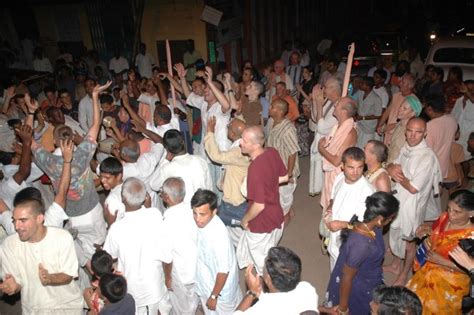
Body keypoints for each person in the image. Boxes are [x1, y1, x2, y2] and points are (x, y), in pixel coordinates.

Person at [0, 169, 84, 313]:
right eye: (14, 221)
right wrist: (13, 286)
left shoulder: (62, 238)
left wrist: (50, 278)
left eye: (23, 221)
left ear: (40, 218)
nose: (16, 226)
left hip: (68, 307)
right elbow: (17, 281)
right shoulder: (9, 245)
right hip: (35, 309)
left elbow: (69, 275)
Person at [321, 192, 400, 315]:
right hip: (359, 286)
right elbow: (347, 277)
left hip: (368, 276)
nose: (391, 221)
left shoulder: (372, 226)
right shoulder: (361, 245)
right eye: (390, 218)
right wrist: (342, 309)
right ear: (379, 220)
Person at [386, 117, 443, 286]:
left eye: (418, 132)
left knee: (409, 242)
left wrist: (398, 173)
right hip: (399, 200)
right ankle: (396, 265)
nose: (413, 136)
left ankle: (404, 273)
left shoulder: (426, 157)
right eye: (410, 131)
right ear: (405, 131)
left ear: (425, 133)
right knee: (396, 233)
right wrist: (390, 168)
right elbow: (393, 165)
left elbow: (413, 188)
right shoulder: (407, 148)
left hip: (413, 206)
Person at [103, 177, 171, 314]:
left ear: (123, 198)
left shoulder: (117, 229)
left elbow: (108, 258)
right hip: (155, 285)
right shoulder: (155, 215)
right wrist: (168, 278)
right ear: (145, 197)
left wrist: (110, 224)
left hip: (136, 291)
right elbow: (167, 257)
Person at [406, 190, 474, 314]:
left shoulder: (471, 237)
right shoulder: (444, 217)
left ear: (471, 213)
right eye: (449, 208)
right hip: (427, 268)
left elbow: (471, 269)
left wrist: (442, 262)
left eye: (457, 212)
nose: (451, 214)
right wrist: (426, 230)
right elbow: (435, 231)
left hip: (451, 282)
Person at [237, 126, 288, 275]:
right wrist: (266, 184)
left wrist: (244, 220)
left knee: (263, 267)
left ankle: (268, 292)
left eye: (244, 141)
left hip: (261, 223)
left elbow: (259, 205)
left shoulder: (255, 168)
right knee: (269, 254)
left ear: (256, 145)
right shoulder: (272, 152)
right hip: (277, 216)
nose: (240, 143)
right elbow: (285, 177)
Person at [191, 189, 241, 314]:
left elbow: (223, 272)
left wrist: (213, 296)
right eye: (194, 213)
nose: (197, 219)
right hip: (207, 281)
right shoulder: (203, 224)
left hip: (220, 293)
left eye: (202, 214)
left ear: (214, 212)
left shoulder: (219, 238)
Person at [324, 147, 375, 269]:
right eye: (351, 167)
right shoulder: (340, 177)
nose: (355, 172)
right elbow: (333, 197)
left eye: (360, 167)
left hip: (351, 243)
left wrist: (341, 224)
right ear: (342, 166)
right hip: (334, 239)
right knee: (334, 268)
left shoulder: (368, 192)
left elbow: (369, 226)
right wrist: (330, 207)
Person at [234, 247, 319, 314]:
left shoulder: (261, 310)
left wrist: (252, 293)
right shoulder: (306, 289)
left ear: (268, 278)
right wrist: (259, 294)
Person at [159, 177, 198, 314]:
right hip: (197, 268)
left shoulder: (168, 221)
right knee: (194, 299)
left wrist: (168, 277)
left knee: (182, 308)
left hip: (182, 274)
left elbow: (167, 257)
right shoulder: (193, 210)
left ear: (167, 198)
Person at [204, 117, 249, 227]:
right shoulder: (241, 146)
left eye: (228, 127)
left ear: (233, 134)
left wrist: (210, 133)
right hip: (236, 199)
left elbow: (216, 156)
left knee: (236, 233)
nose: (226, 128)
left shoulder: (238, 151)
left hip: (235, 203)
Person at [149, 129, 212, 206]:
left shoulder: (168, 168)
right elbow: (209, 187)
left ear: (167, 149)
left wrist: (165, 160)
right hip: (202, 207)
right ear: (183, 141)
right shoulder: (201, 160)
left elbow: (153, 185)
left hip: (182, 212)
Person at [319, 97, 358, 211]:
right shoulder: (338, 126)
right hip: (331, 173)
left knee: (334, 208)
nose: (335, 105)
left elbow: (337, 161)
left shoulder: (350, 132)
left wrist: (321, 149)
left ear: (344, 111)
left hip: (338, 175)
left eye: (338, 104)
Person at [266, 98, 300, 220]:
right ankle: (288, 210)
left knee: (284, 198)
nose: (269, 108)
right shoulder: (271, 121)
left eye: (272, 107)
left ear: (280, 111)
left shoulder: (288, 129)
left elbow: (293, 152)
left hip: (285, 170)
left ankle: (285, 219)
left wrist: (289, 174)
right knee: (277, 195)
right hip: (274, 168)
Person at [309, 78, 340, 196]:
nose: (323, 90)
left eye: (325, 87)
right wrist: (314, 101)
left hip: (329, 145)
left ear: (333, 89)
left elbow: (322, 128)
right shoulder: (328, 101)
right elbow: (315, 118)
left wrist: (318, 105)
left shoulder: (338, 105)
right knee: (320, 173)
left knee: (327, 176)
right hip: (320, 142)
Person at [424, 94, 458, 183]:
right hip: (444, 166)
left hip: (431, 168)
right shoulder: (452, 120)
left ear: (430, 109)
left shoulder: (429, 126)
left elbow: (427, 151)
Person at [376, 73, 417, 145]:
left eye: (403, 82)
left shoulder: (413, 101)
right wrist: (380, 124)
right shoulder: (396, 95)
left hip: (400, 134)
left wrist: (391, 127)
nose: (399, 84)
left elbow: (407, 121)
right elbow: (388, 110)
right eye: (401, 81)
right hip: (388, 131)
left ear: (410, 86)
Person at [386, 95, 421, 163]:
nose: (400, 109)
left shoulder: (411, 132)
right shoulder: (399, 124)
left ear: (412, 113)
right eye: (400, 106)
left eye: (404, 108)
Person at [355, 76, 383, 148]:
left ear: (368, 86)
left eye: (362, 83)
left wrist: (363, 117)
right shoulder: (360, 93)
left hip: (368, 128)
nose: (360, 85)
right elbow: (356, 104)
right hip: (359, 124)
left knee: (364, 147)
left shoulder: (376, 99)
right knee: (356, 144)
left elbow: (378, 115)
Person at [452, 80, 474, 161]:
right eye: (467, 89)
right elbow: (453, 117)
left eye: (471, 90)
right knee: (456, 160)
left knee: (464, 161)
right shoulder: (459, 101)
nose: (469, 91)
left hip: (468, 139)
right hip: (456, 136)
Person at [99, 157, 125, 225]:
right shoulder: (128, 186)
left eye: (107, 177)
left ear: (119, 176)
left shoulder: (111, 200)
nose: (102, 180)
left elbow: (113, 226)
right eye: (101, 176)